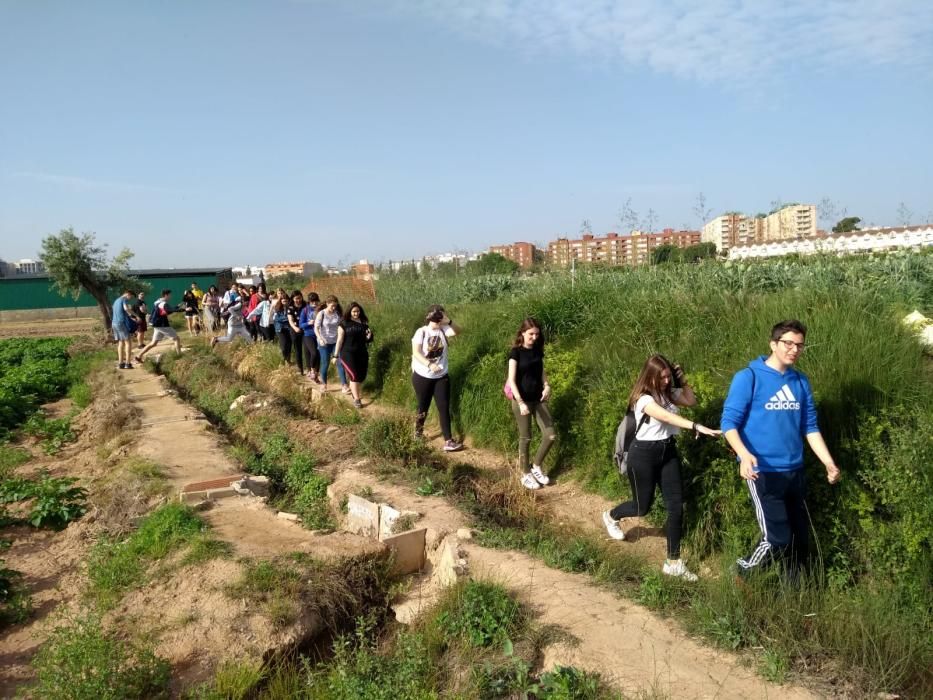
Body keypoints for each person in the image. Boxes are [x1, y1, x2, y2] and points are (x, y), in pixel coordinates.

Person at [721, 320, 841, 579]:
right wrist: (743, 455)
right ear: (773, 344)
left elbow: (810, 427)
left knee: (798, 539)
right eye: (788, 343)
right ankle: (742, 573)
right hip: (762, 471)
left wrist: (828, 463)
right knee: (777, 537)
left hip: (794, 471)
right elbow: (728, 423)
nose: (794, 349)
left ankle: (794, 596)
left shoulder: (800, 382)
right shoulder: (748, 377)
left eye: (799, 345)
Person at [602, 355, 720, 581]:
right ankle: (611, 515)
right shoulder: (643, 399)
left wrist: (682, 380)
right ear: (650, 377)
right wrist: (695, 426)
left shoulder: (668, 394)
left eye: (668, 376)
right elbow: (665, 416)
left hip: (668, 452)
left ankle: (673, 561)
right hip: (643, 455)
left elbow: (690, 400)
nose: (666, 381)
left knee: (676, 506)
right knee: (641, 506)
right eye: (662, 377)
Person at [506, 318, 555, 491]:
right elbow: (511, 380)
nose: (534, 337)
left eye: (536, 334)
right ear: (522, 333)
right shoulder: (515, 353)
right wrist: (520, 402)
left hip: (539, 399)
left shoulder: (537, 351)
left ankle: (536, 466)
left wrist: (547, 385)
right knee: (525, 437)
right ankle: (525, 473)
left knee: (550, 435)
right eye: (530, 334)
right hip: (522, 401)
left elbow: (541, 372)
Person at [411, 304, 463, 452]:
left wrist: (450, 321)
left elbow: (458, 331)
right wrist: (429, 365)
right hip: (423, 375)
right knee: (423, 406)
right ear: (430, 317)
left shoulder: (443, 330)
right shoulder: (421, 332)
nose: (439, 320)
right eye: (438, 317)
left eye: (441, 316)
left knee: (443, 407)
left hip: (441, 376)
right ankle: (418, 433)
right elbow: (416, 352)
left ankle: (448, 441)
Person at [335, 302, 374, 409]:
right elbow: (339, 340)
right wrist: (335, 355)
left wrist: (369, 336)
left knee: (361, 377)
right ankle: (357, 399)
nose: (356, 313)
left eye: (358, 311)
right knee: (354, 376)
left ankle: (354, 390)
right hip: (347, 353)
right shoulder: (343, 323)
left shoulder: (364, 323)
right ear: (349, 312)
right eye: (354, 311)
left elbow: (367, 340)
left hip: (361, 353)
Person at [136, 288, 182, 361]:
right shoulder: (163, 303)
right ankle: (179, 356)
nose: (171, 296)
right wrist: (184, 309)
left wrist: (177, 307)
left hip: (157, 324)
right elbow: (170, 310)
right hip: (162, 325)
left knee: (153, 343)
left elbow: (167, 311)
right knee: (176, 339)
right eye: (170, 295)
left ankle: (138, 356)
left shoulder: (157, 302)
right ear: (166, 295)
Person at [315, 295, 348, 392]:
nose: (334, 308)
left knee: (340, 362)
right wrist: (320, 338)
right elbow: (316, 328)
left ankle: (344, 385)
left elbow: (341, 327)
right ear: (327, 304)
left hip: (335, 342)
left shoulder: (337, 314)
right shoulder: (321, 314)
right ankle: (324, 384)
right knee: (325, 363)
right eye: (332, 306)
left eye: (335, 306)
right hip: (324, 343)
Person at [111, 289, 136, 369]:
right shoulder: (123, 300)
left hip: (114, 323)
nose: (130, 299)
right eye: (130, 297)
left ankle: (121, 363)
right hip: (121, 323)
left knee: (121, 343)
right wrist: (134, 316)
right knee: (128, 342)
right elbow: (126, 309)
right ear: (127, 294)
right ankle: (128, 364)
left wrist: (133, 315)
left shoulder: (116, 301)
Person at [299, 292, 320, 380]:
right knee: (314, 353)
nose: (314, 303)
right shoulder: (305, 310)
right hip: (308, 335)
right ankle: (312, 370)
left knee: (319, 355)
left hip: (319, 335)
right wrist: (309, 323)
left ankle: (317, 373)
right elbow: (301, 325)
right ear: (309, 302)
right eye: (312, 302)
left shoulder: (321, 309)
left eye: (316, 301)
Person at [287, 290, 307, 375]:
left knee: (307, 349)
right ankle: (300, 369)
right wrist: (295, 328)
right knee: (298, 350)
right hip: (295, 330)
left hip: (306, 330)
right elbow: (290, 320)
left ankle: (310, 369)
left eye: (299, 298)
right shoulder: (290, 307)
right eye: (296, 298)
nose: (298, 300)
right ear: (293, 299)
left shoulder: (306, 305)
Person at [272, 289, 292, 362]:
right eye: (283, 299)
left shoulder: (290, 308)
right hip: (280, 329)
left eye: (286, 299)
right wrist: (288, 319)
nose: (284, 300)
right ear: (280, 300)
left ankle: (288, 360)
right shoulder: (277, 308)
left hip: (289, 328)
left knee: (289, 345)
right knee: (283, 345)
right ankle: (285, 359)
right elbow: (278, 319)